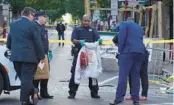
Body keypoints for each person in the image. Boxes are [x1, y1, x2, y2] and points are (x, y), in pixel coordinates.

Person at [6, 7, 45, 105]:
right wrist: (42, 56)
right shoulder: (33, 26)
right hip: (29, 58)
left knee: (24, 80)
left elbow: (9, 42)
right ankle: (26, 99)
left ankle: (28, 98)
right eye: (33, 16)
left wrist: (13, 49)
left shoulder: (13, 24)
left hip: (16, 58)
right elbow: (38, 42)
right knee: (26, 81)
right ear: (30, 14)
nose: (34, 18)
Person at [110, 17, 146, 105]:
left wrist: (120, 49)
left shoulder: (124, 24)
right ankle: (136, 99)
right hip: (140, 52)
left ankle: (119, 98)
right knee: (135, 76)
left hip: (127, 52)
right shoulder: (139, 27)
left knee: (123, 75)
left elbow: (121, 37)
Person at [68, 14, 102, 99]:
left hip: (90, 55)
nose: (86, 22)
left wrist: (99, 41)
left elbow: (98, 39)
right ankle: (72, 92)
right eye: (85, 21)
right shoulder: (77, 29)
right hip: (79, 54)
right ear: (82, 21)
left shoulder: (93, 30)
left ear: (90, 21)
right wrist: (80, 42)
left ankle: (94, 92)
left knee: (92, 74)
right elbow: (73, 40)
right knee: (76, 73)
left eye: (88, 21)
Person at [33, 10, 53, 100]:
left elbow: (45, 41)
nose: (45, 19)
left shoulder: (43, 27)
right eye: (44, 17)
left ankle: (44, 92)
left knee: (46, 74)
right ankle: (35, 93)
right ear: (40, 17)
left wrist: (49, 51)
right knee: (38, 75)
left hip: (45, 54)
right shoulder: (35, 27)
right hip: (39, 56)